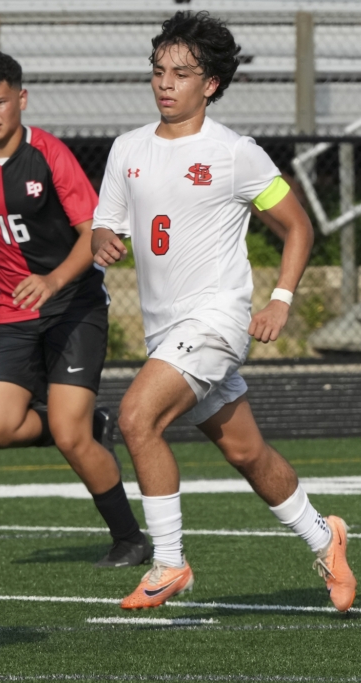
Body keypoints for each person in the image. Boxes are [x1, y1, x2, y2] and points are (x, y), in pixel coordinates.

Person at [91, 11, 355, 611]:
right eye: (159, 71)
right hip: (167, 329)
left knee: (136, 418)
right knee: (246, 452)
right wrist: (101, 241)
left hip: (215, 320)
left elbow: (297, 228)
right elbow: (104, 223)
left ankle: (168, 562)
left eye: (181, 73)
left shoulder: (235, 153)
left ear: (209, 84)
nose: (165, 83)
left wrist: (280, 300)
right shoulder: (127, 148)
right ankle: (326, 537)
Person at [0, 52, 150, 567]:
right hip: (15, 313)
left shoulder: (50, 154)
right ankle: (91, 423)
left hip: (74, 306)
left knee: (68, 436)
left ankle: (129, 538)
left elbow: (92, 234)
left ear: (21, 98)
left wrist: (54, 279)